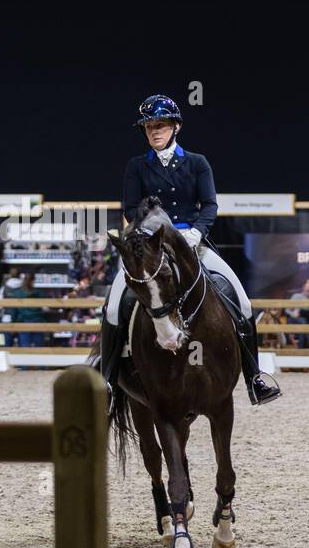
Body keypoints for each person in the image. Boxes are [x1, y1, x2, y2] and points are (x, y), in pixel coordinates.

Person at [99, 94, 280, 405]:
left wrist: (195, 232)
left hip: (193, 243)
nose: (154, 131)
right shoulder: (137, 166)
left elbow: (210, 204)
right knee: (113, 307)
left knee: (244, 304)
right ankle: (107, 384)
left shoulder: (197, 162)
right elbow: (130, 207)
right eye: (148, 127)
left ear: (176, 126)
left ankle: (254, 379)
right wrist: (148, 234)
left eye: (161, 125)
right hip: (151, 246)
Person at [286, 278, 309, 349]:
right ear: (303, 288)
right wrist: (292, 313)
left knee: (303, 322)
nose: (308, 292)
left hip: (306, 319)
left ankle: (301, 348)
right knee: (303, 321)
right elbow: (287, 310)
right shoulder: (296, 296)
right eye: (307, 290)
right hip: (294, 319)